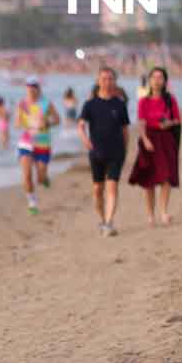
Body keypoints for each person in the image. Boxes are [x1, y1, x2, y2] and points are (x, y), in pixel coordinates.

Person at [77, 68, 130, 237]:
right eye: (104, 79)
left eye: (110, 79)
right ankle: (103, 219)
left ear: (114, 81)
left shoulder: (120, 104)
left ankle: (108, 223)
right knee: (97, 189)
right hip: (96, 153)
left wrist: (125, 150)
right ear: (98, 81)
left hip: (116, 152)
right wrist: (85, 140)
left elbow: (125, 130)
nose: (107, 82)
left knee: (112, 187)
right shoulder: (90, 105)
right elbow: (81, 125)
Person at [128, 67, 181, 226]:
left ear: (165, 81)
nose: (157, 81)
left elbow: (177, 119)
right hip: (149, 140)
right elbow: (141, 122)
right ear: (149, 80)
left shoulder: (170, 100)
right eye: (154, 77)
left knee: (166, 177)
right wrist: (145, 140)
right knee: (149, 180)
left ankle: (164, 212)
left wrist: (168, 123)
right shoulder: (143, 101)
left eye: (160, 78)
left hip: (166, 140)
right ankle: (150, 215)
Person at [15, 76, 61, 215]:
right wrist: (22, 123)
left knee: (40, 177)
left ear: (38, 89)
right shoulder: (22, 104)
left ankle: (44, 178)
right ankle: (32, 202)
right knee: (27, 174)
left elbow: (57, 120)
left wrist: (47, 123)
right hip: (26, 143)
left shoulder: (46, 103)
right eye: (28, 87)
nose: (30, 90)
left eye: (33, 87)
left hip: (43, 144)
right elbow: (17, 123)